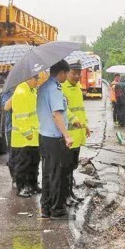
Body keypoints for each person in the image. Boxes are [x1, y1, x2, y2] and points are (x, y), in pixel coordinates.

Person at [37, 60, 73, 219]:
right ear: (62, 73)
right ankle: (57, 211)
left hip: (44, 136)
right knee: (57, 174)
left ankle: (46, 208)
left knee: (47, 172)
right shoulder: (55, 89)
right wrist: (66, 135)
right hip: (54, 138)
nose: (67, 76)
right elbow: (56, 114)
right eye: (67, 73)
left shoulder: (43, 87)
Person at [62, 62, 92, 206]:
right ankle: (65, 195)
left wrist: (85, 125)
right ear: (67, 73)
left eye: (78, 73)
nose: (77, 76)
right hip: (68, 136)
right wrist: (73, 120)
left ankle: (70, 192)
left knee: (72, 166)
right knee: (66, 166)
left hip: (78, 135)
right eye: (74, 73)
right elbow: (63, 110)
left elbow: (81, 110)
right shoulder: (62, 88)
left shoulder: (78, 89)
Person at [11, 76, 40, 198]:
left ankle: (33, 185)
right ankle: (21, 187)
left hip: (33, 136)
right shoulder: (21, 92)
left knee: (34, 162)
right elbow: (21, 116)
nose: (37, 81)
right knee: (23, 164)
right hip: (23, 138)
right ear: (28, 78)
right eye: (35, 78)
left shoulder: (32, 91)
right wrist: (27, 133)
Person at [1, 87, 17, 193]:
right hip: (12, 128)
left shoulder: (31, 90)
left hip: (28, 129)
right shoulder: (8, 91)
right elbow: (6, 106)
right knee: (13, 155)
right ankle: (15, 179)